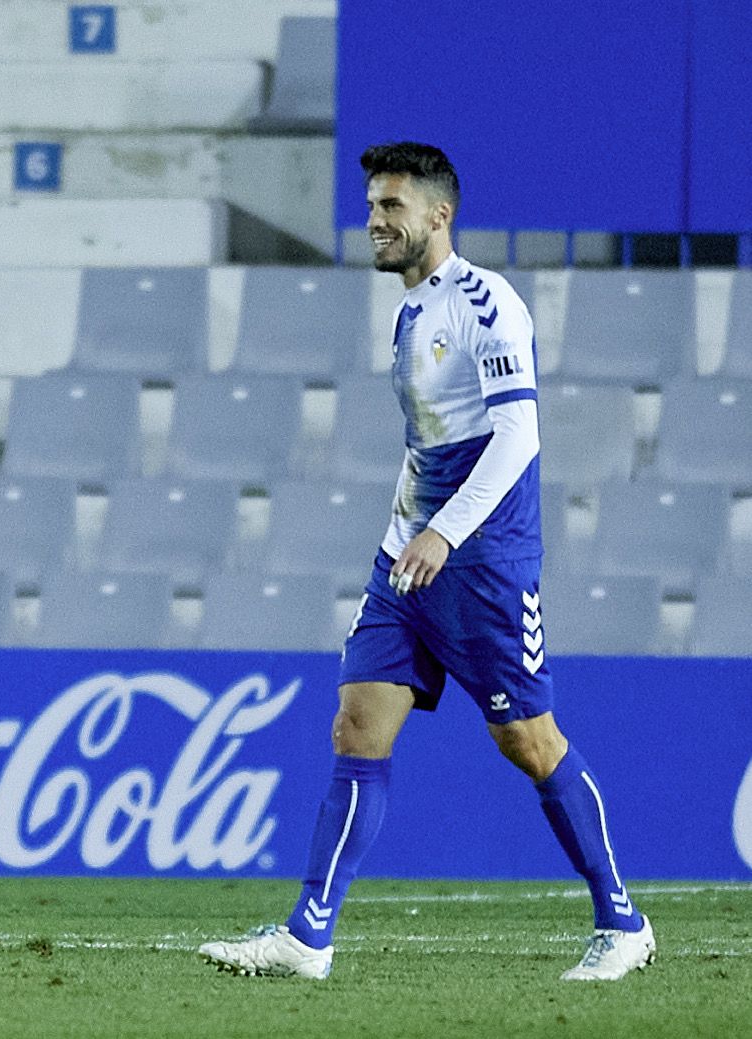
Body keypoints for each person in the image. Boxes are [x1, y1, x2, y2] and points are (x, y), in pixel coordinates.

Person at [198, 142, 654, 982]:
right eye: (372, 206)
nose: (374, 221)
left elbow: (518, 433)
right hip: (407, 560)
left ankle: (620, 918)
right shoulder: (412, 309)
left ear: (437, 215)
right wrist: (401, 532)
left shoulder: (486, 304)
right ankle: (309, 934)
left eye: (390, 208)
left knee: (527, 738)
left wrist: (443, 532)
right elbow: (426, 443)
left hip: (481, 561)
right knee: (356, 723)